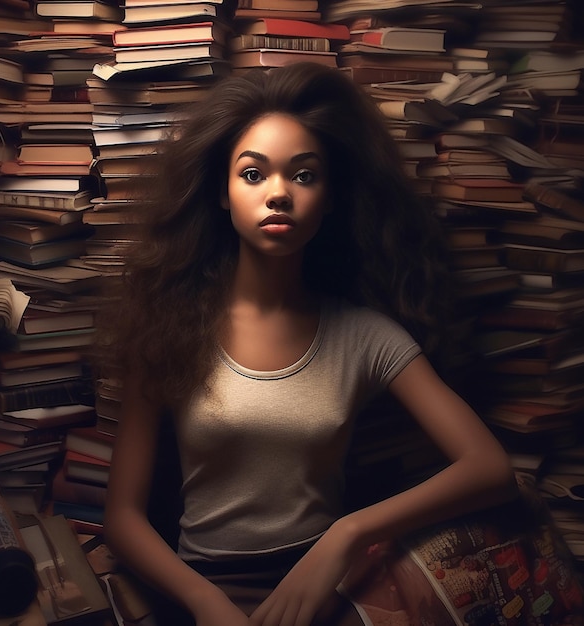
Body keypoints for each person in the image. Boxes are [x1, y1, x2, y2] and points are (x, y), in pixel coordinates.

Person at [99, 62, 518, 626]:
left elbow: (490, 468)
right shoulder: (169, 327)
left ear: (331, 197)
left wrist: (349, 533)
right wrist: (201, 600)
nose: (277, 194)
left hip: (328, 589)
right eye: (253, 174)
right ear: (222, 194)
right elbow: (122, 517)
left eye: (303, 175)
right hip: (203, 590)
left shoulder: (364, 336)